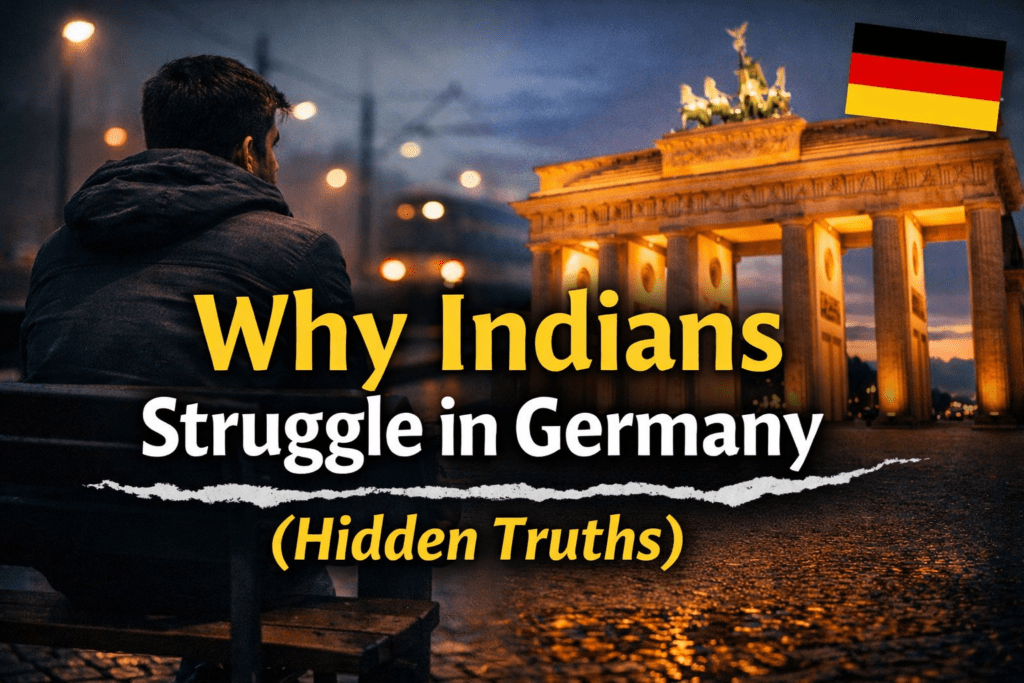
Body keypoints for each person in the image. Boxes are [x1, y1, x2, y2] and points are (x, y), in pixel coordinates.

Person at [19, 54, 361, 639]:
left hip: (71, 556)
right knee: (303, 563)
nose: (275, 163)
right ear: (251, 151)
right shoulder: (299, 252)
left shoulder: (60, 247)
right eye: (274, 147)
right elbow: (339, 419)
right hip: (218, 567)